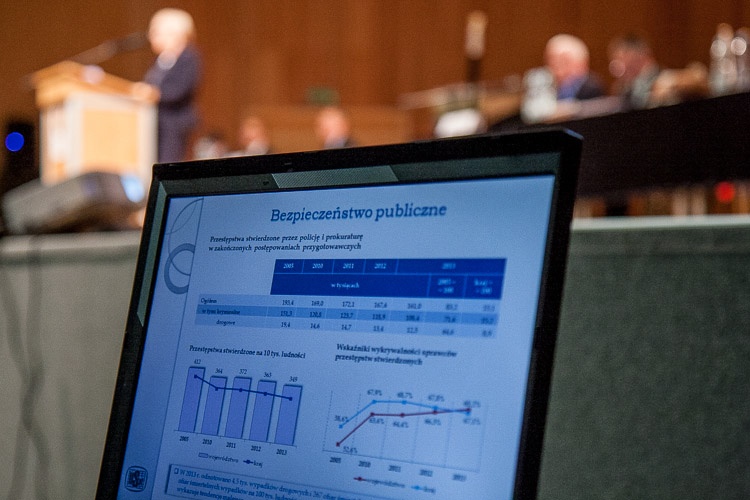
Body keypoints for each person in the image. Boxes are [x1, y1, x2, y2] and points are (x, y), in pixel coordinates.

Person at [144, 8, 202, 163]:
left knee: (169, 163)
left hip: (176, 123)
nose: (151, 37)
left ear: (175, 34)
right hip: (156, 121)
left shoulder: (189, 57)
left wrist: (153, 93)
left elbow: (179, 89)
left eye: (156, 32)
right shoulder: (161, 60)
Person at [609, 33, 708, 109]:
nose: (617, 67)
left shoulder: (662, 77)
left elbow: (699, 76)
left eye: (621, 59)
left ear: (639, 56)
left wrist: (671, 83)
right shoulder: (626, 88)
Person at [544, 34, 605, 101]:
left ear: (581, 62)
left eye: (563, 60)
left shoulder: (593, 87)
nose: (556, 64)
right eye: (551, 59)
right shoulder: (545, 84)